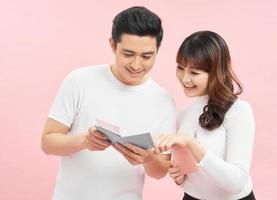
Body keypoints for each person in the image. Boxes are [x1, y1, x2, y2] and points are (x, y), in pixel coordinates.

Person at [41, 6, 176, 200]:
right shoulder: (79, 80)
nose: (137, 65)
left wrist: (147, 158)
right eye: (128, 54)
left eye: (147, 56)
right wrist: (84, 141)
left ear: (157, 51)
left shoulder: (164, 101)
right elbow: (48, 143)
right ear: (113, 45)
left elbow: (160, 171)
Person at [154, 31, 256, 200]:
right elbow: (194, 176)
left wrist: (191, 144)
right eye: (180, 68)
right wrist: (181, 177)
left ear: (216, 71)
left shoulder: (239, 111)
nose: (185, 78)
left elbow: (236, 182)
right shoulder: (184, 114)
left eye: (194, 73)